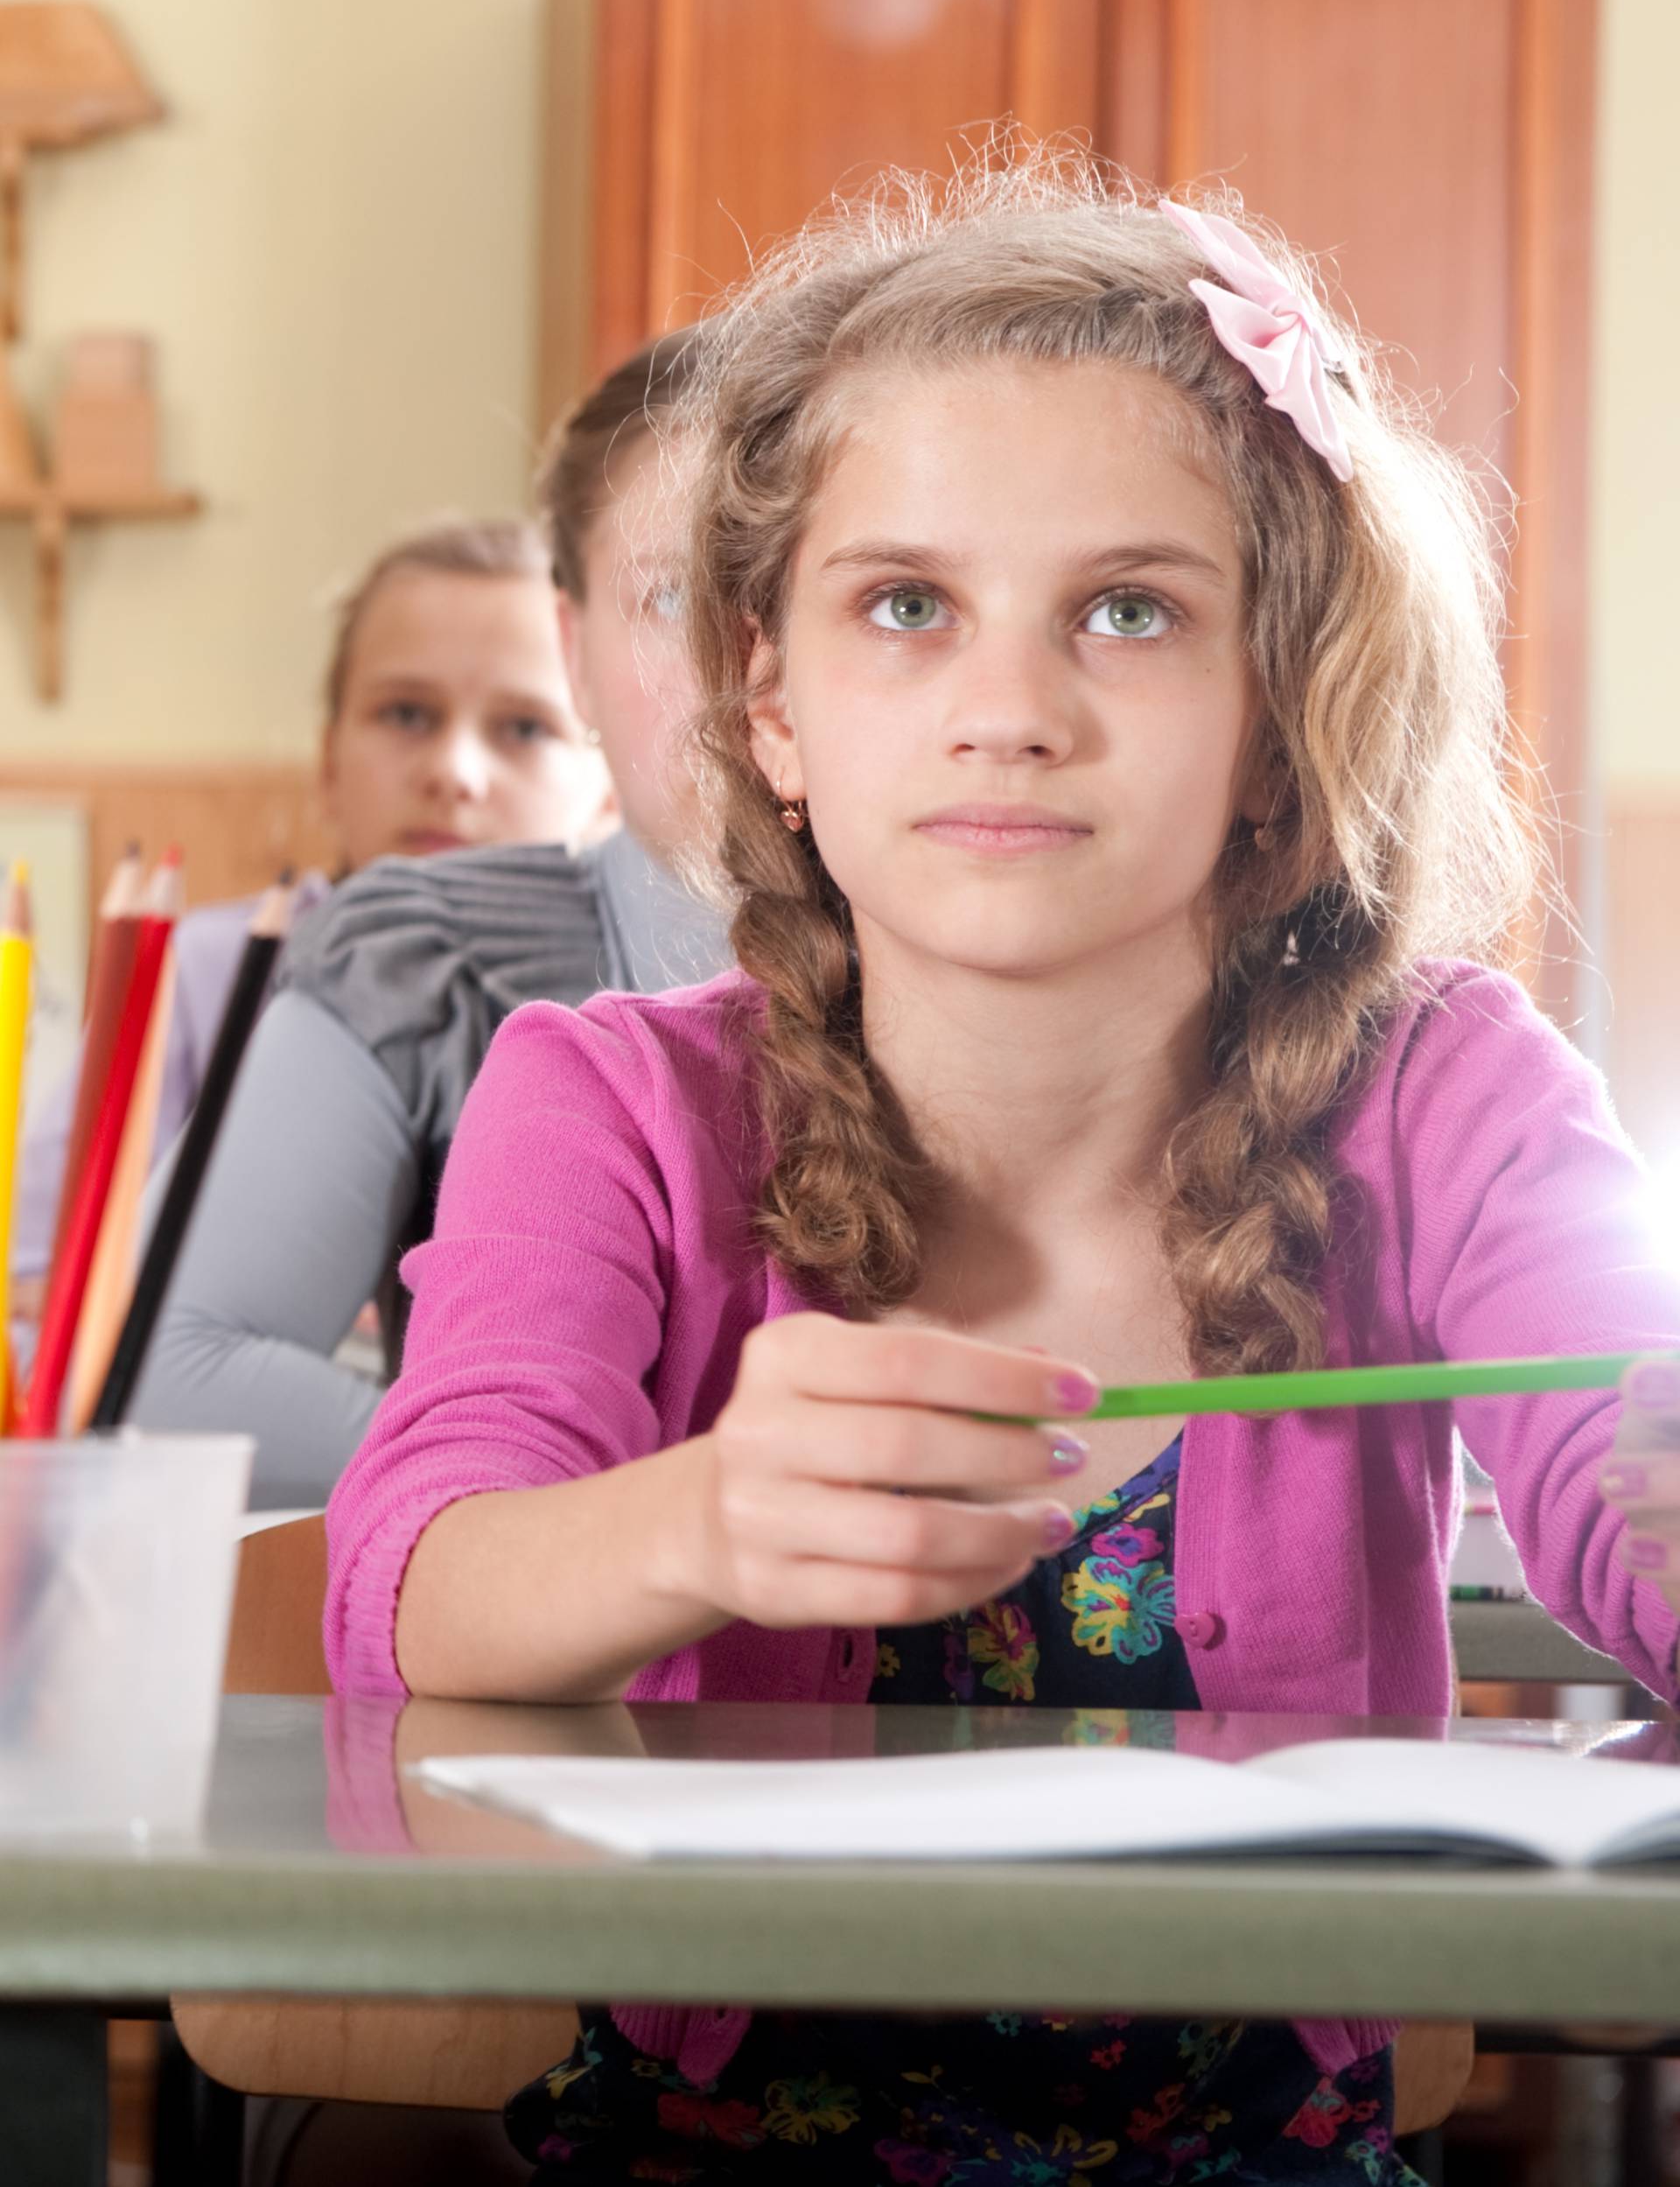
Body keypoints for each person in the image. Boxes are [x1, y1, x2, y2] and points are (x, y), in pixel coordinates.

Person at [325, 158, 1680, 2183]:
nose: (1011, 711)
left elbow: (1623, 1459)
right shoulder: (604, 1100)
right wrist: (698, 1525)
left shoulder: (1445, 1090)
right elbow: (405, 1580)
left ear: (1276, 718)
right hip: (705, 2146)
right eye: (905, 608)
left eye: (1128, 611)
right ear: (772, 708)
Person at [126, 332, 732, 1506]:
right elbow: (174, 1363)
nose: (741, 662)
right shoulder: (419, 959)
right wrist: (616, 1511)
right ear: (581, 652)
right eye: (669, 598)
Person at [10, 515, 594, 1331]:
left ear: (605, 791)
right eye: (407, 715)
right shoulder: (198, 976)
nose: (454, 773)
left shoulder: (627, 1025)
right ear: (327, 765)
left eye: (526, 728)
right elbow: (33, 1289)